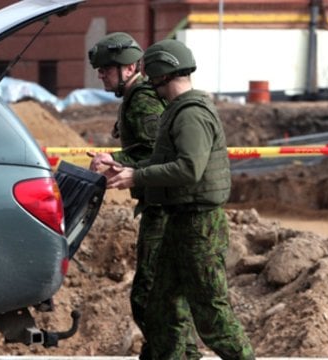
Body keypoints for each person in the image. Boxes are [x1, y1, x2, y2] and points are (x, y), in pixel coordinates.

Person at [103, 38, 255, 359]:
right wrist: (125, 167)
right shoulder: (177, 112)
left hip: (199, 226)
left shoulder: (190, 115)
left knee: (212, 316)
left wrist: (137, 176)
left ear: (161, 73)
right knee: (161, 308)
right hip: (180, 222)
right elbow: (162, 162)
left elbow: (189, 169)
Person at [86, 33, 202, 360]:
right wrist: (117, 161)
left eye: (108, 68)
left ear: (130, 68)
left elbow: (158, 157)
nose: (102, 75)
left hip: (164, 206)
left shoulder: (143, 100)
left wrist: (119, 164)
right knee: (158, 297)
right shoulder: (137, 97)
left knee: (151, 296)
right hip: (158, 202)